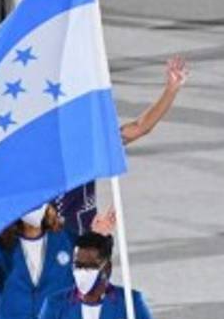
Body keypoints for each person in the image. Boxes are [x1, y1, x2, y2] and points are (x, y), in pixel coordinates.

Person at [56, 56, 190, 236]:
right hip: (55, 247)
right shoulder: (38, 155)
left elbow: (140, 127)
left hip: (87, 242)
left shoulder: (91, 144)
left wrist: (171, 90)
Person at [34, 231, 157, 319]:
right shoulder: (54, 305)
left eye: (90, 266)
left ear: (107, 269)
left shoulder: (131, 303)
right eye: (78, 266)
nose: (82, 272)